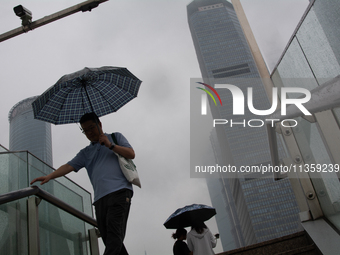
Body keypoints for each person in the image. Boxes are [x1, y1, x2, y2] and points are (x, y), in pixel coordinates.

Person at [30, 112, 135, 255]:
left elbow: (131, 153)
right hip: (100, 199)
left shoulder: (115, 137)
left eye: (91, 128)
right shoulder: (85, 152)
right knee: (110, 239)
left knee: (114, 237)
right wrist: (50, 176)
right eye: (85, 130)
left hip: (120, 192)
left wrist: (110, 145)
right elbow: (68, 166)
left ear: (100, 124)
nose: (89, 132)